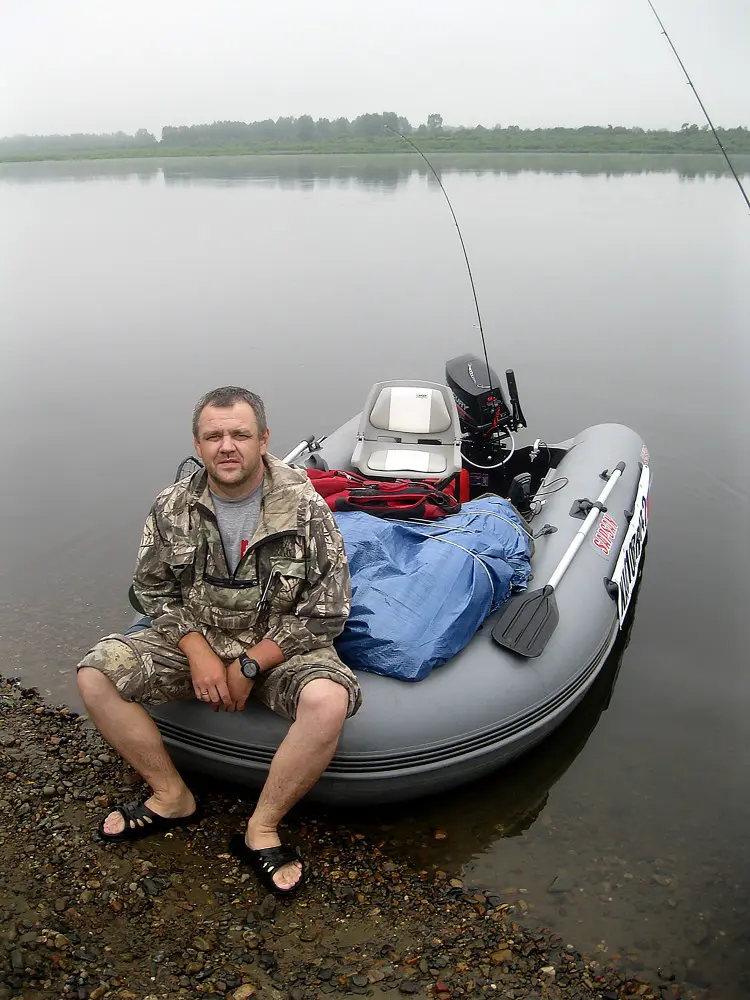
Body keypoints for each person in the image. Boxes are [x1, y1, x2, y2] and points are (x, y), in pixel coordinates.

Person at [76, 386, 361, 895]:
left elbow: (328, 611)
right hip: (198, 637)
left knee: (329, 700)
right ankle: (169, 796)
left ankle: (262, 827)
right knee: (95, 675)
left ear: (264, 439)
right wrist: (196, 649)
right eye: (214, 436)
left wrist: (252, 663)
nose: (227, 446)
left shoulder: (305, 507)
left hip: (279, 643)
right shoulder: (172, 505)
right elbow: (152, 589)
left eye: (240, 434)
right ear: (198, 442)